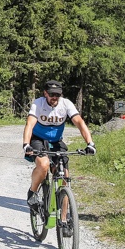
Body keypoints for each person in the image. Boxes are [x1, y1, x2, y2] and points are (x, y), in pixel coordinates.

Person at [22, 80, 96, 214]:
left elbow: (79, 122)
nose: (54, 97)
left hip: (56, 141)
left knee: (64, 177)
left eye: (57, 94)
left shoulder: (66, 104)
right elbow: (30, 124)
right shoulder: (38, 103)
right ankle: (32, 192)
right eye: (51, 94)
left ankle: (64, 219)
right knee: (44, 164)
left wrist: (90, 143)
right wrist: (26, 144)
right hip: (38, 139)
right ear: (45, 93)